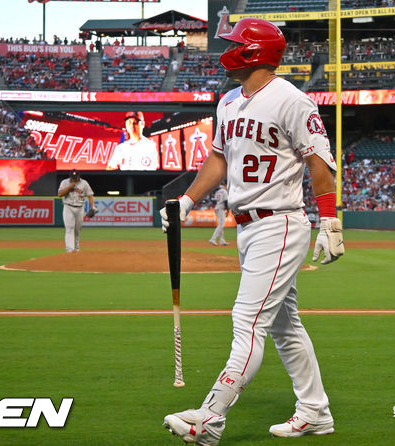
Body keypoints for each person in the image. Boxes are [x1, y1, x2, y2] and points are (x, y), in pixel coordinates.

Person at [160, 18, 344, 445]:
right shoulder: (227, 101)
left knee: (247, 320)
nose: (225, 49)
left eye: (233, 43)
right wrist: (188, 200)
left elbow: (319, 163)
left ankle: (209, 417)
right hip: (247, 228)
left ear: (253, 51)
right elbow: (219, 160)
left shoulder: (292, 101)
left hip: (279, 223)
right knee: (284, 326)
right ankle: (315, 411)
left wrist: (330, 220)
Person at [58, 169, 96, 253]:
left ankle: (76, 247)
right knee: (69, 228)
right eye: (73, 177)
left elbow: (90, 195)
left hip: (80, 208)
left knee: (77, 229)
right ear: (70, 176)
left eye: (76, 177)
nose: (74, 179)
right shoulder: (64, 182)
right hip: (68, 207)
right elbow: (60, 194)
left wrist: (93, 206)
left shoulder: (84, 183)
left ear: (79, 176)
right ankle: (69, 249)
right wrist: (70, 187)